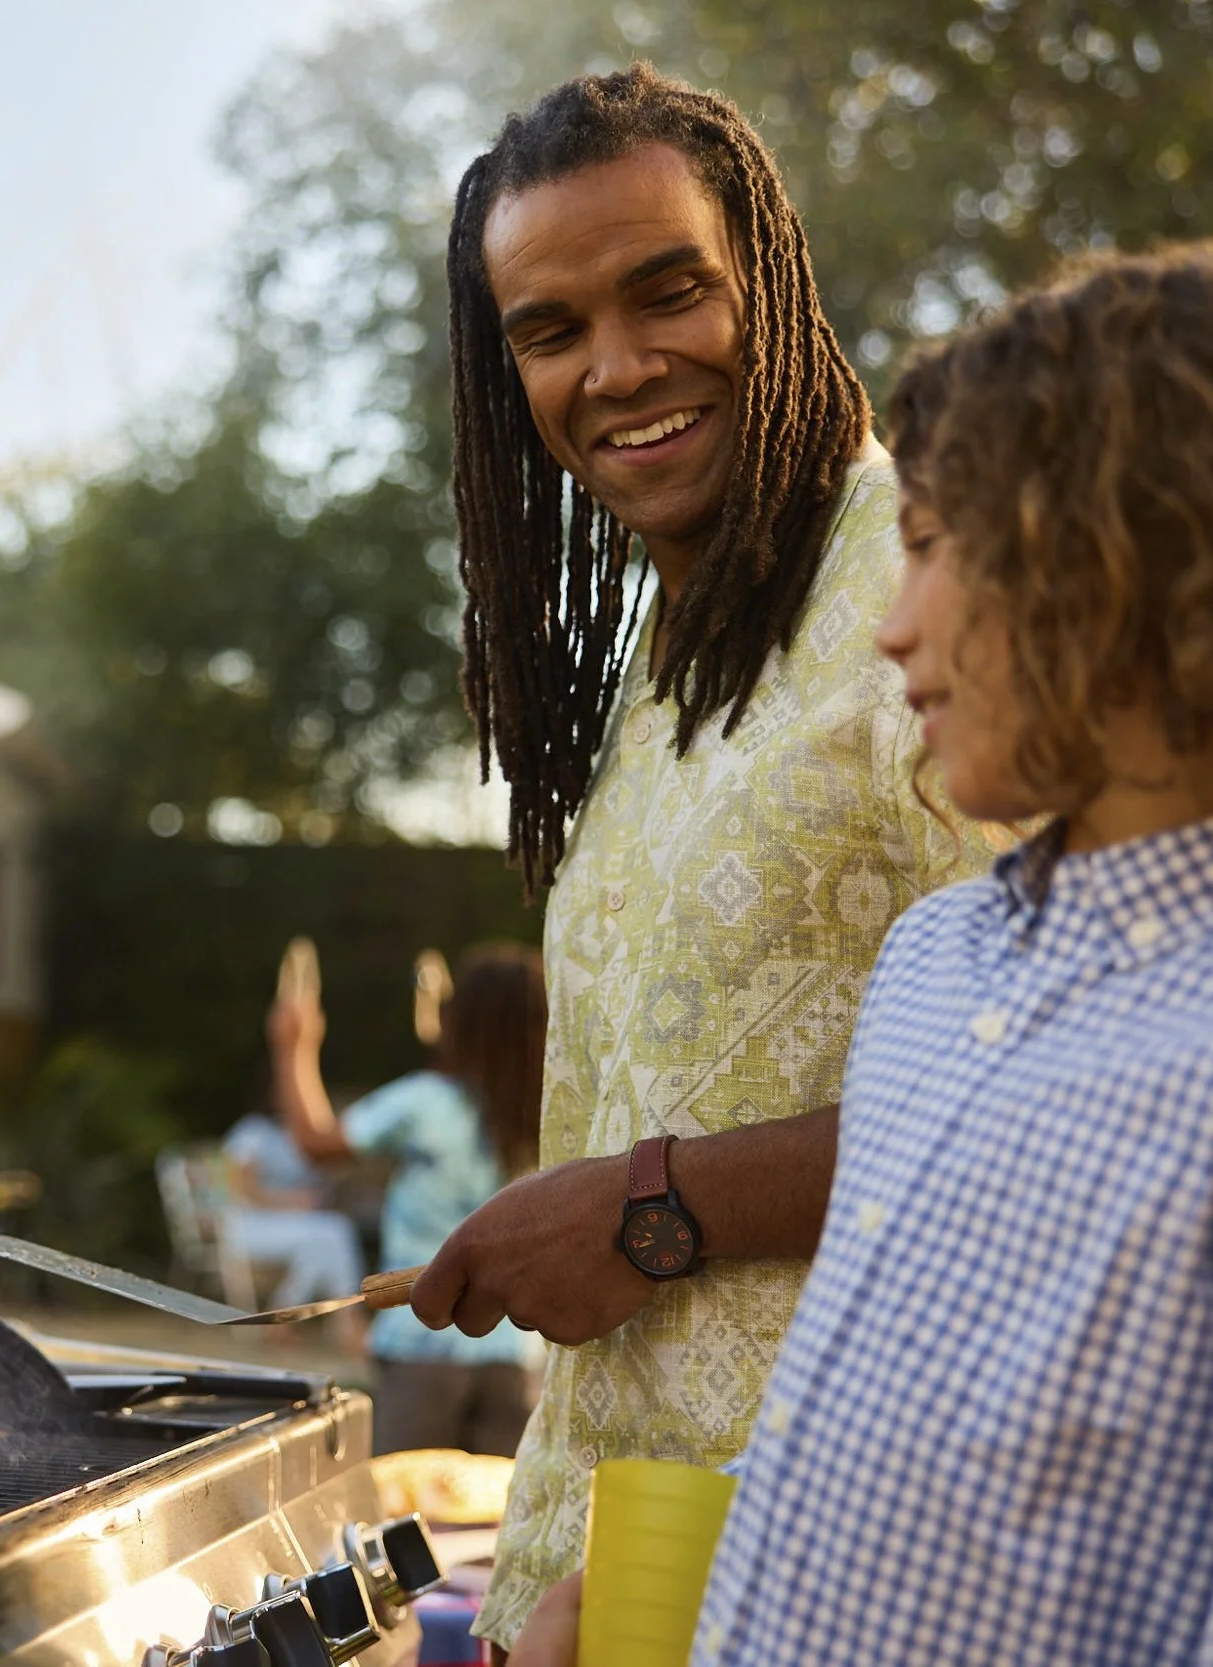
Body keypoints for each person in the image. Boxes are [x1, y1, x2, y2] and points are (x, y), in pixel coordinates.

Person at [521, 243, 1213, 1664]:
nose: (892, 621)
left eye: (932, 547)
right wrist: (715, 1557)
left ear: (1155, 551)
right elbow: (889, 1412)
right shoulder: (941, 962)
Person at [401, 65, 993, 1651]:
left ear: (770, 283)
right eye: (549, 328)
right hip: (610, 1565)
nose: (619, 367)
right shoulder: (661, 661)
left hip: (844, 1564)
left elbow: (1070, 1081)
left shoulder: (935, 584)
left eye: (670, 292)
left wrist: (653, 1208)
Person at [270, 943, 546, 1457]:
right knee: (494, 1519)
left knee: (406, 1508)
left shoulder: (428, 1101)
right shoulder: (553, 1112)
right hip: (518, 1350)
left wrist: (294, 1046)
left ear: (460, 1021)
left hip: (422, 1344)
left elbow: (316, 1143)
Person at [217, 1111, 365, 1313]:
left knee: (319, 1249)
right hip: (248, 1226)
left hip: (290, 1226)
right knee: (334, 1231)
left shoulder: (304, 1140)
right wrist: (293, 1202)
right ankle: (347, 1316)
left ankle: (284, 1315)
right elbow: (243, 1191)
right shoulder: (254, 1132)